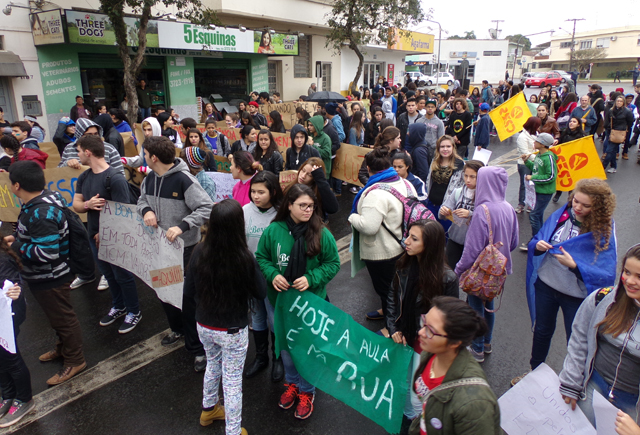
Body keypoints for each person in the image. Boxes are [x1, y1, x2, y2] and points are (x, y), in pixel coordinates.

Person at [513, 179, 617, 385]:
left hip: (575, 297)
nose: (577, 207)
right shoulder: (562, 214)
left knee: (575, 341)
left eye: (585, 205)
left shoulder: (604, 231)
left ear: (597, 207)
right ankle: (533, 373)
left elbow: (605, 274)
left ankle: (572, 383)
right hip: (546, 286)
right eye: (575, 201)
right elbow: (539, 239)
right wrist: (538, 245)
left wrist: (576, 266)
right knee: (542, 331)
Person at [255, 184, 339, 420]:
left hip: (310, 305)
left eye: (311, 206)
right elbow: (261, 257)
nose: (308, 210)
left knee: (307, 350)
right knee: (286, 348)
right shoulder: (274, 231)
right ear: (289, 205)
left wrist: (311, 278)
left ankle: (307, 391)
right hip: (279, 304)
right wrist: (273, 274)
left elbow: (333, 264)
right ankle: (292, 383)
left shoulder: (322, 232)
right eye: (302, 205)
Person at [183, 200, 266, 435]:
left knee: (213, 365)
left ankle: (208, 410)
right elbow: (261, 292)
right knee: (231, 381)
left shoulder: (199, 250)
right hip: (232, 329)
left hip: (204, 324)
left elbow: (188, 292)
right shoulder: (244, 257)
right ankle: (232, 429)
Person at [6, 161, 87, 385]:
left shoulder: (41, 213)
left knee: (63, 318)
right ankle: (63, 349)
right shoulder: (43, 200)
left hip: (51, 276)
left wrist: (17, 246)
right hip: (45, 275)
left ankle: (75, 360)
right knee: (57, 317)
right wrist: (21, 239)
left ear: (16, 186)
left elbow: (47, 252)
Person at [137, 136, 214, 372]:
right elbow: (140, 200)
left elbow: (207, 207)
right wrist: (147, 210)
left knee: (189, 299)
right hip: (160, 248)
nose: (144, 157)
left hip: (186, 250)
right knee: (164, 292)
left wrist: (183, 225)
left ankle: (198, 348)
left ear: (154, 157)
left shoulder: (184, 180)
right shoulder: (149, 178)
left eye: (145, 153)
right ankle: (177, 329)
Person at [558, 244, 640, 426]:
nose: (630, 281)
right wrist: (571, 383)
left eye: (639, 276)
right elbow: (579, 338)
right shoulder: (603, 298)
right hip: (593, 388)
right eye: (627, 272)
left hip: (632, 405)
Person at [386, 220, 459, 423]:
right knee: (404, 383)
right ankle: (409, 419)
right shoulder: (403, 264)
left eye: (413, 238)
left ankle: (419, 422)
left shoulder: (447, 279)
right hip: (404, 336)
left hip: (426, 344)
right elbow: (392, 298)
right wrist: (393, 327)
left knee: (416, 393)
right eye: (408, 235)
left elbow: (451, 321)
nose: (406, 241)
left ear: (430, 244)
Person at [72, 135, 142, 333]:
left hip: (114, 237)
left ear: (88, 152)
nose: (77, 155)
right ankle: (119, 306)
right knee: (109, 274)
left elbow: (124, 213)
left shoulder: (115, 178)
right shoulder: (84, 177)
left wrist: (106, 234)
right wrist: (87, 204)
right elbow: (75, 205)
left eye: (78, 151)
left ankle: (134, 311)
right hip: (93, 236)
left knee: (122, 275)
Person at [408, 296, 501, 435]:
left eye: (430, 331)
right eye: (424, 322)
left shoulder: (474, 403)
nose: (421, 332)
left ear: (454, 342)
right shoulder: (430, 354)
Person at [454, 166, 519, 362]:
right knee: (489, 304)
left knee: (475, 308)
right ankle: (487, 342)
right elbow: (514, 241)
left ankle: (477, 348)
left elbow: (472, 249)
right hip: (499, 270)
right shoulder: (509, 207)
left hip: (481, 271)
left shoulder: (482, 211)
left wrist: (458, 269)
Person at [349, 147, 417, 321]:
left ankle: (391, 326)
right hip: (403, 245)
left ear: (369, 170)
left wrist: (353, 217)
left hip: (383, 252)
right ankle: (387, 312)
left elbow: (369, 226)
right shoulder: (405, 183)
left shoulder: (375, 194)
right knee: (396, 288)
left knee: (386, 290)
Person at [242, 172, 284, 382]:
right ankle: (261, 357)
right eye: (253, 191)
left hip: (273, 277)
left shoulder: (281, 213)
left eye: (261, 192)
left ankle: (278, 359)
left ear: (273, 192)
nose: (255, 196)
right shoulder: (245, 211)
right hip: (251, 274)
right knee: (257, 316)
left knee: (274, 318)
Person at [0, 240, 31, 428]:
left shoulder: (2, 260)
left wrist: (12, 291)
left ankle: (24, 399)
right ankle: (8, 394)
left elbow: (11, 288)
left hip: (7, 317)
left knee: (10, 356)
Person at [439, 160, 484, 270]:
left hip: (474, 244)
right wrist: (444, 211)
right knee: (450, 271)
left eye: (473, 177)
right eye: (466, 176)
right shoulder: (458, 192)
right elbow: (443, 212)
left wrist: (470, 214)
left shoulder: (484, 196)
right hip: (454, 239)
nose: (468, 180)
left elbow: (488, 219)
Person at [519, 132, 557, 251]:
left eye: (536, 141)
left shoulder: (549, 157)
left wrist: (533, 178)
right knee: (538, 215)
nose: (534, 142)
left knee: (534, 215)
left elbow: (551, 176)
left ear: (542, 144)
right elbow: (535, 169)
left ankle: (536, 241)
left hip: (544, 192)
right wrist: (526, 161)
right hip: (537, 190)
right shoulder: (539, 156)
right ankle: (541, 239)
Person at [424, 136, 465, 233]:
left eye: (448, 146)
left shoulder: (459, 164)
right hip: (431, 204)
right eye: (442, 147)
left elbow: (461, 188)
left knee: (445, 234)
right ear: (438, 148)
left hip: (447, 208)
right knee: (431, 233)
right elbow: (428, 181)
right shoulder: (435, 161)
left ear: (453, 148)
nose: (445, 149)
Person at [58, 118, 124, 175]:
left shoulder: (109, 149)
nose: (93, 137)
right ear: (79, 135)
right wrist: (68, 163)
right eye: (89, 135)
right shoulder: (69, 148)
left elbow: (120, 174)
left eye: (96, 134)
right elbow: (58, 172)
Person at [603, 95, 634, 174]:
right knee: (612, 151)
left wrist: (624, 129)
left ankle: (602, 167)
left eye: (620, 101)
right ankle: (613, 167)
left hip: (619, 133)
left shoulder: (627, 111)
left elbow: (631, 121)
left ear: (623, 102)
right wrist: (607, 128)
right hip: (611, 132)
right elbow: (607, 120)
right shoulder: (611, 110)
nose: (619, 102)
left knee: (609, 150)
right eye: (617, 101)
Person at [515, 117, 540, 214]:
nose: (538, 127)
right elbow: (525, 152)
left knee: (533, 184)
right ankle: (521, 204)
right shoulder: (522, 137)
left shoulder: (537, 134)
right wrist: (539, 159)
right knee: (524, 184)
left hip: (535, 163)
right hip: (524, 163)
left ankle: (531, 203)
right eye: (537, 125)